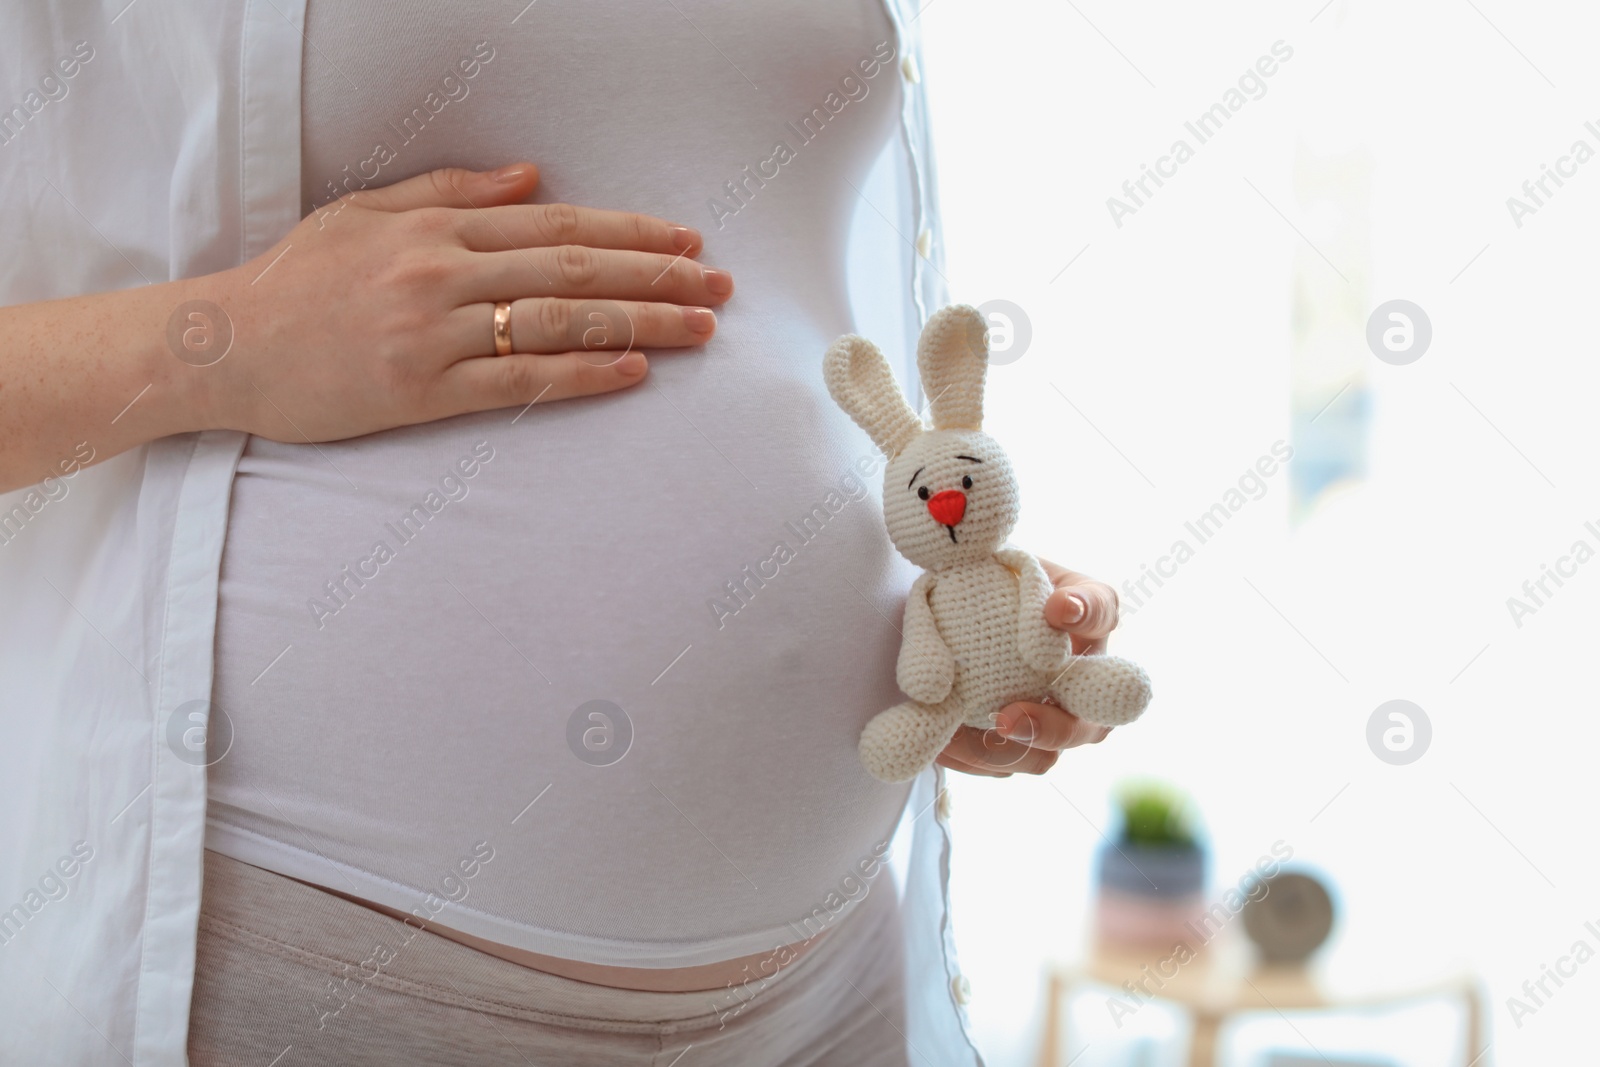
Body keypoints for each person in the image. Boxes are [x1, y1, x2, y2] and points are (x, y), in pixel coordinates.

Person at [0, 3, 1123, 1063]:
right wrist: (220, 341)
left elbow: (782, 289)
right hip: (330, 962)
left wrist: (945, 595)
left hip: (833, 985)